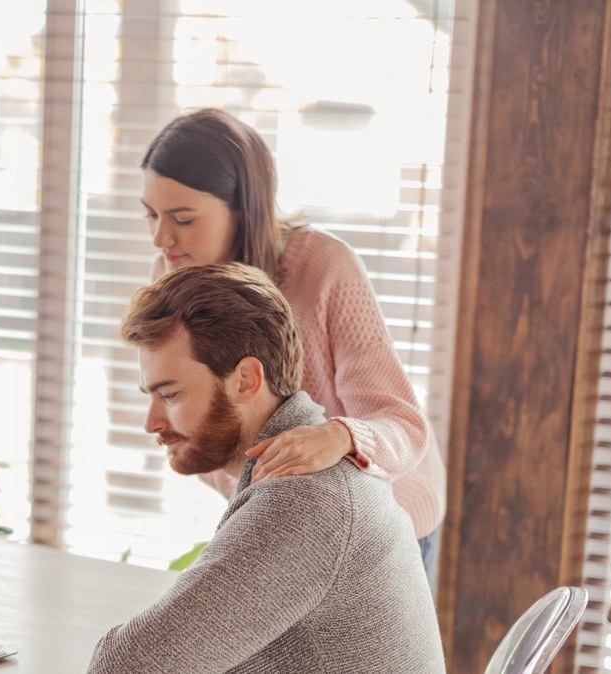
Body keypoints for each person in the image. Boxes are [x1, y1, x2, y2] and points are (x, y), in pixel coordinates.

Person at [89, 263, 444, 673]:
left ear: (245, 380)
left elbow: (126, 666)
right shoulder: (310, 473)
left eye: (168, 394)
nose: (150, 422)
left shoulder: (302, 498)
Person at [140, 108, 447, 578]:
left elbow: (401, 423)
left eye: (182, 218)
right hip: (287, 521)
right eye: (152, 215)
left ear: (244, 210)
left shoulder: (325, 267)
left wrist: (338, 436)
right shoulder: (172, 276)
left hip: (389, 515)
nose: (162, 238)